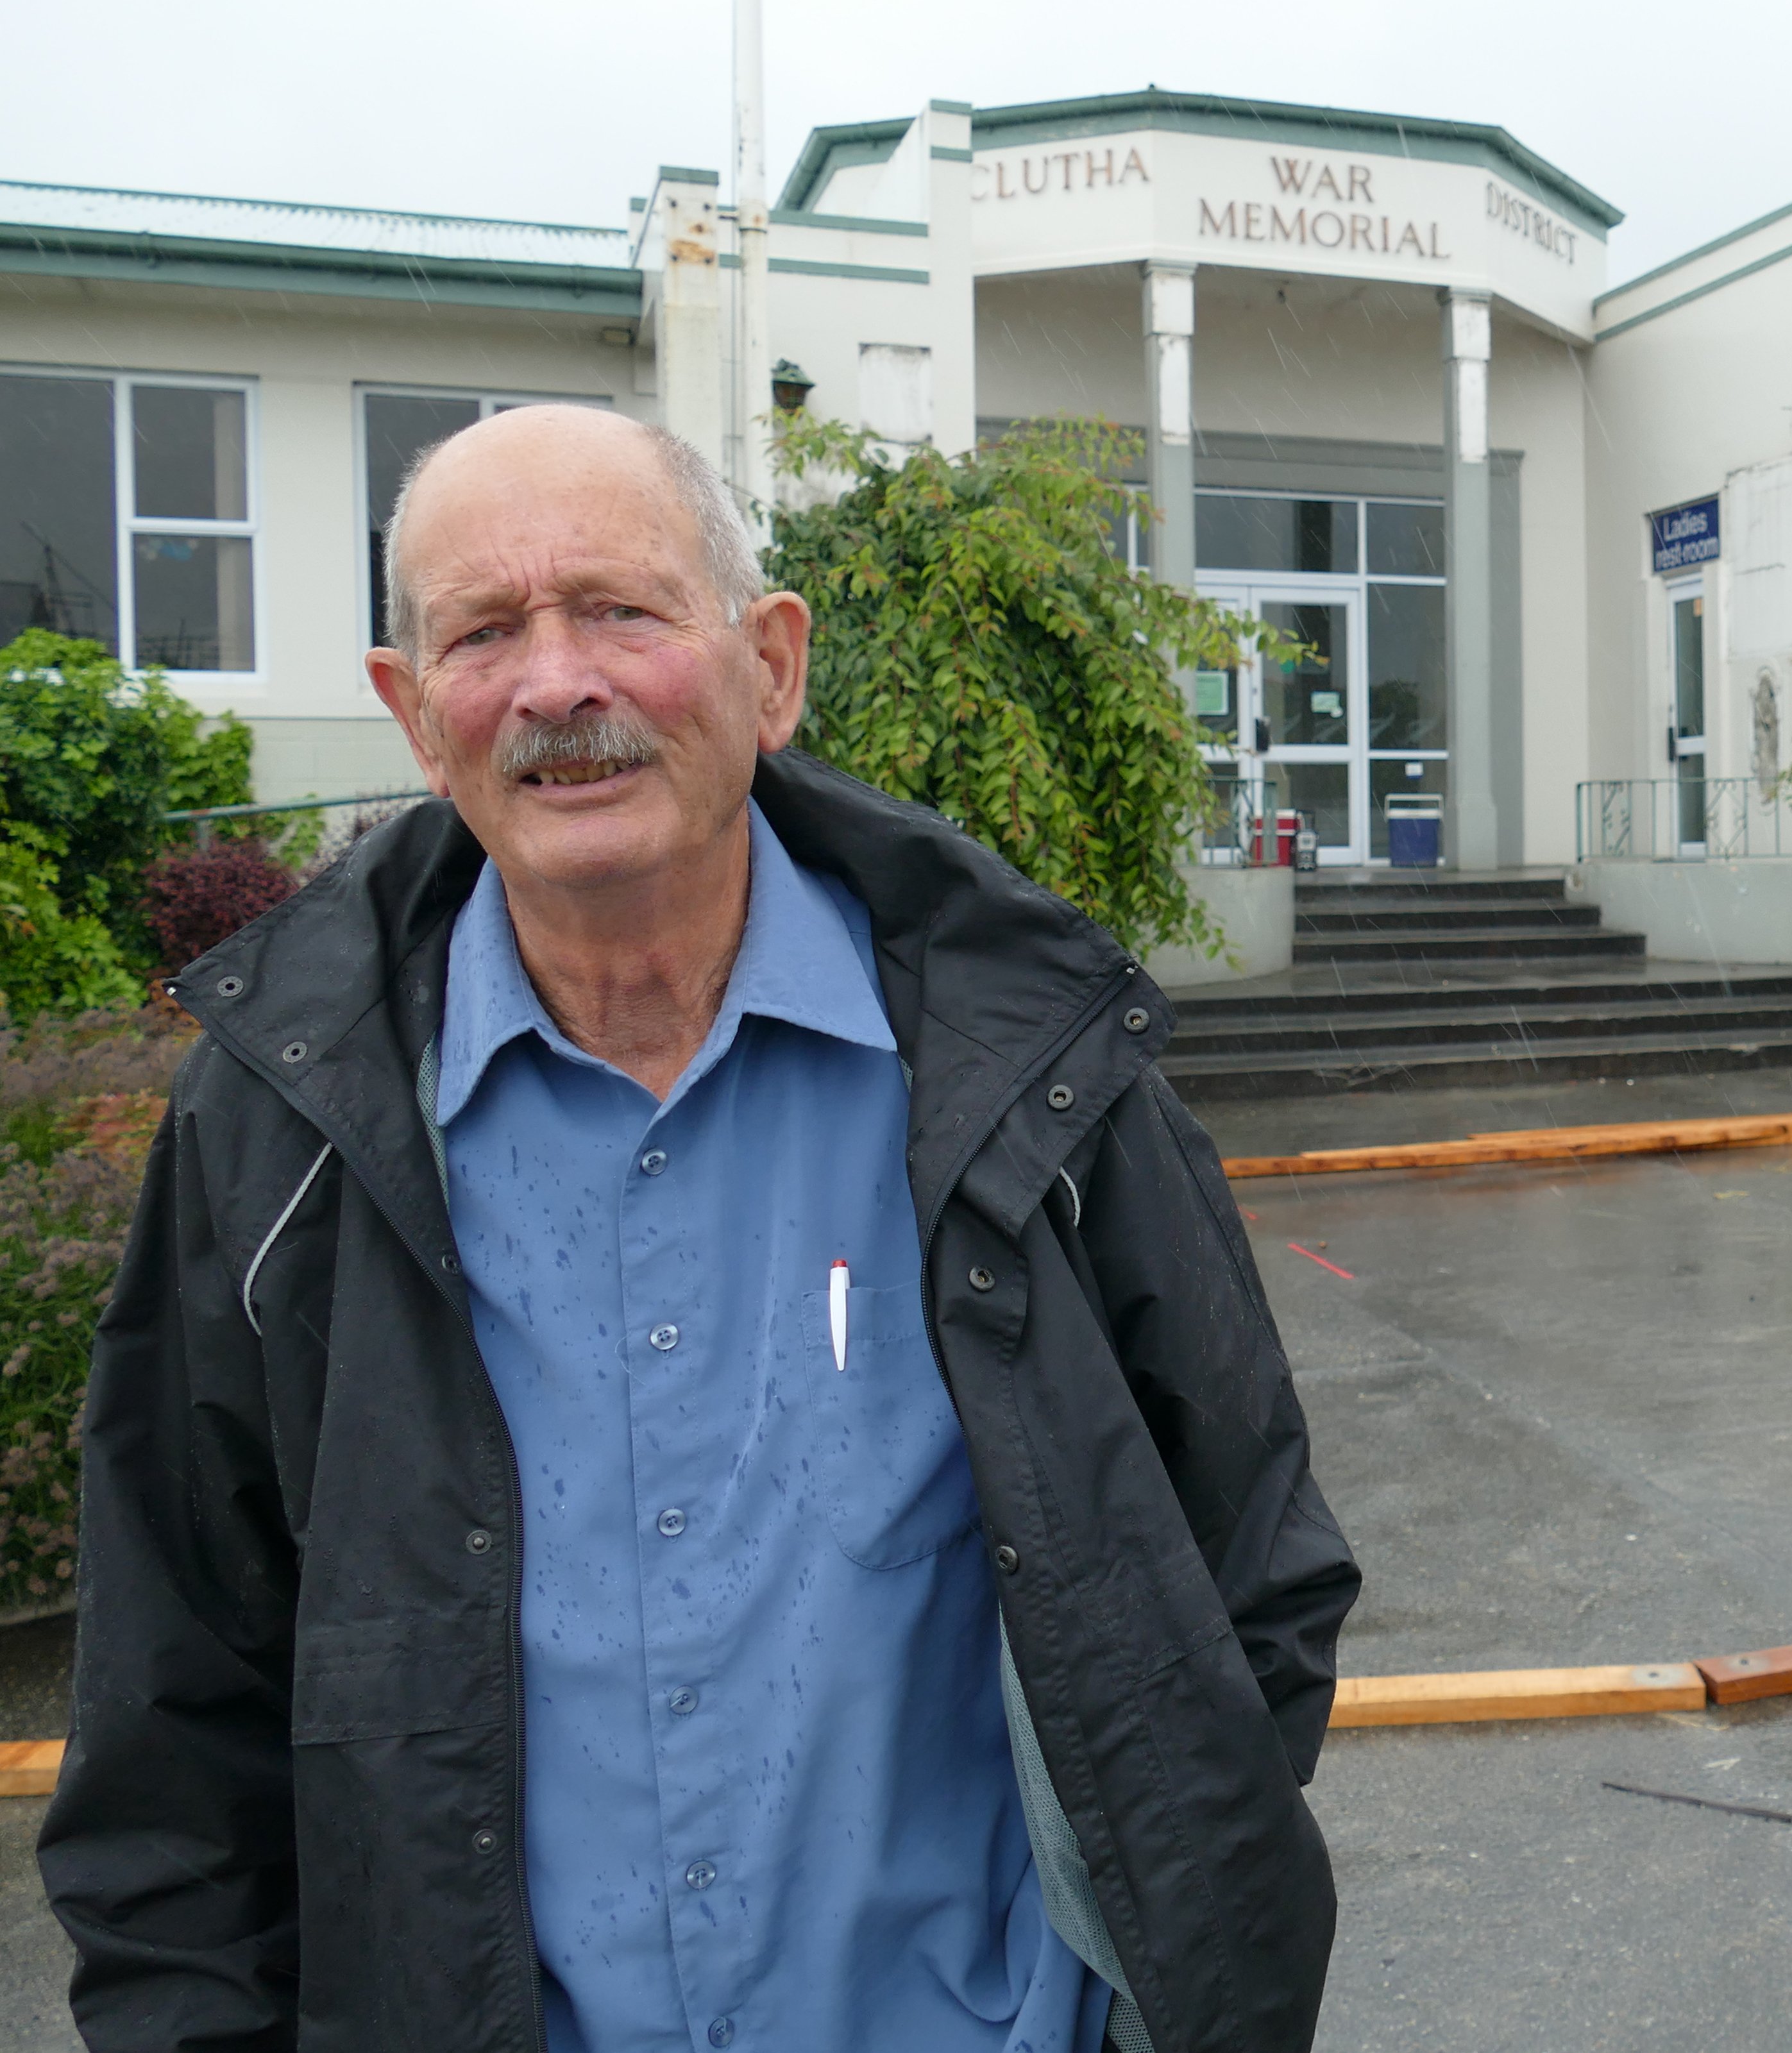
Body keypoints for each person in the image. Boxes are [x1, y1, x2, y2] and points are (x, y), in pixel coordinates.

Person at [42, 405, 1360, 2053]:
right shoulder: (273, 1137)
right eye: (484, 633)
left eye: (620, 609)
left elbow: (1248, 1568)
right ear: (416, 718)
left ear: (769, 664)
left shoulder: (1027, 1072)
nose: (556, 685)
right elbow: (175, 1721)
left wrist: (1138, 1966)